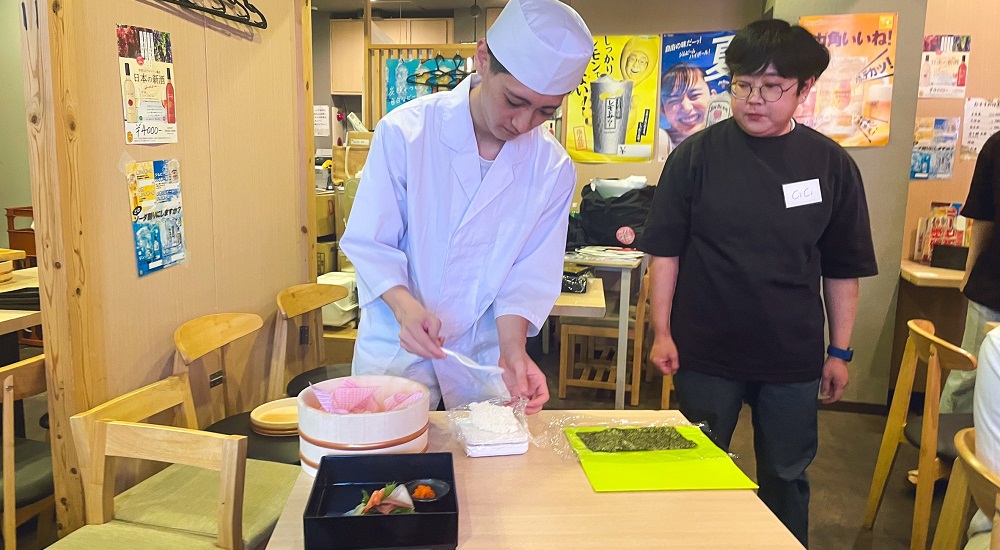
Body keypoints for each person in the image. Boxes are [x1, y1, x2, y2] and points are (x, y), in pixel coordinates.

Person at [637, 19, 877, 547]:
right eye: (743, 84)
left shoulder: (831, 165)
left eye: (772, 88)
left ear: (804, 89)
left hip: (791, 354)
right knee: (695, 469)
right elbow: (666, 254)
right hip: (705, 349)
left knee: (786, 477)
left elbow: (842, 267)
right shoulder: (694, 158)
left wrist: (840, 351)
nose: (754, 99)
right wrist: (662, 332)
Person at [339, 0, 592, 414]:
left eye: (546, 111)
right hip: (397, 354)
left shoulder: (553, 168)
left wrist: (513, 351)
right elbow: (372, 241)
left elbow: (527, 275)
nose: (524, 123)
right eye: (515, 100)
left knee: (482, 472)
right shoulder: (407, 133)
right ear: (482, 59)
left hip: (482, 362)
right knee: (391, 473)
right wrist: (405, 307)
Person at [940, 129, 1000, 414]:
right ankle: (944, 451)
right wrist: (969, 271)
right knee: (969, 374)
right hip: (992, 286)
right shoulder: (996, 146)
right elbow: (983, 218)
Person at [656, 63, 711, 159]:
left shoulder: (727, 140)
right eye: (674, 100)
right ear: (663, 111)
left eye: (694, 96)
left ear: (713, 98)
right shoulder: (659, 142)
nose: (686, 108)